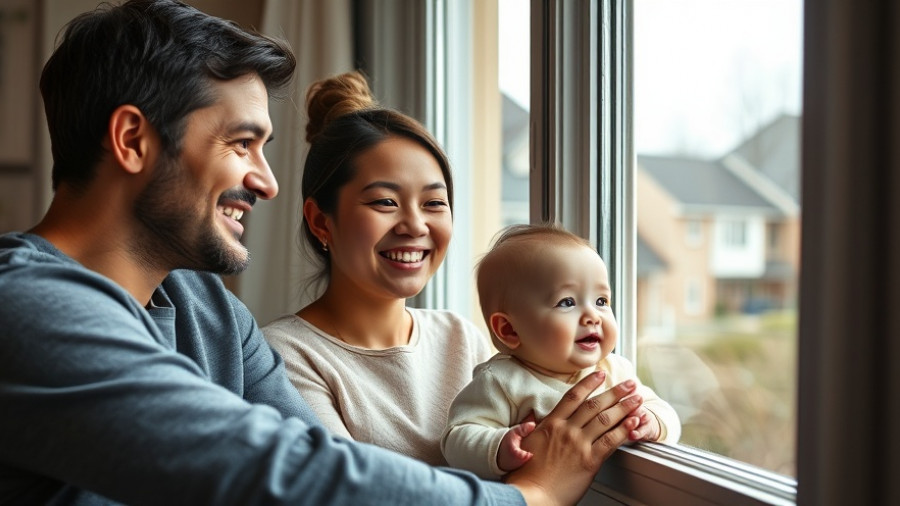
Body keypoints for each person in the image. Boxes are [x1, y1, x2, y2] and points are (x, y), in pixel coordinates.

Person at [0, 1, 644, 504]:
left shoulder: (210, 313)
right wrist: (529, 498)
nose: (266, 181)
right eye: (241, 144)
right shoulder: (25, 307)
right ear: (132, 140)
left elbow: (315, 454)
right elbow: (285, 475)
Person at [262, 70, 493, 466]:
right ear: (320, 221)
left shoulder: (462, 340)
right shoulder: (283, 356)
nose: (415, 226)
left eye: (434, 203)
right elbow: (352, 488)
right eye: (385, 202)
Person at [442, 223, 681, 479]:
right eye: (567, 302)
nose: (593, 316)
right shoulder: (500, 381)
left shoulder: (614, 370)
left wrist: (652, 421)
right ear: (510, 330)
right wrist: (500, 446)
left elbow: (666, 412)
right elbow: (456, 439)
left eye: (601, 301)